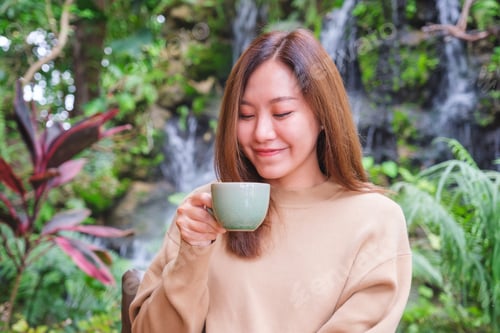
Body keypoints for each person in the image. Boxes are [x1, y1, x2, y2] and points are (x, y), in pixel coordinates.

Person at [129, 28, 412, 333]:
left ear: (322, 116)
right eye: (246, 116)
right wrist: (193, 251)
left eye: (282, 113)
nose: (262, 133)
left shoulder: (375, 219)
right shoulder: (203, 212)